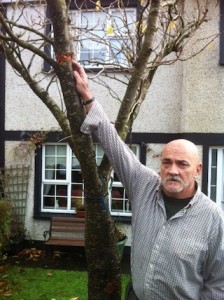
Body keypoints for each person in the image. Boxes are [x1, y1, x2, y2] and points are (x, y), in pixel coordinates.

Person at [72, 60, 224, 300]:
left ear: (198, 169)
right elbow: (116, 146)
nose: (173, 170)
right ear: (160, 165)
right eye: (167, 162)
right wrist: (87, 96)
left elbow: (219, 284)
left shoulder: (214, 219)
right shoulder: (144, 185)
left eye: (182, 164)